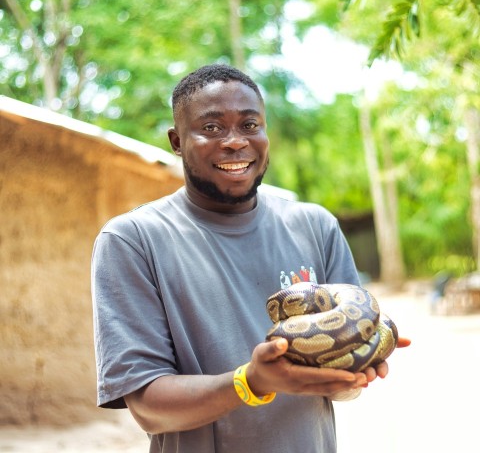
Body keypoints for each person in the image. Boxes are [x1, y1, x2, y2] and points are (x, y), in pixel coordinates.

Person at [91, 64, 409, 453]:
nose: (234, 142)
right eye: (211, 128)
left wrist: (351, 374)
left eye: (249, 125)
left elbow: (342, 386)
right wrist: (252, 381)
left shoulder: (315, 225)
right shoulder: (132, 240)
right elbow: (148, 407)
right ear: (176, 141)